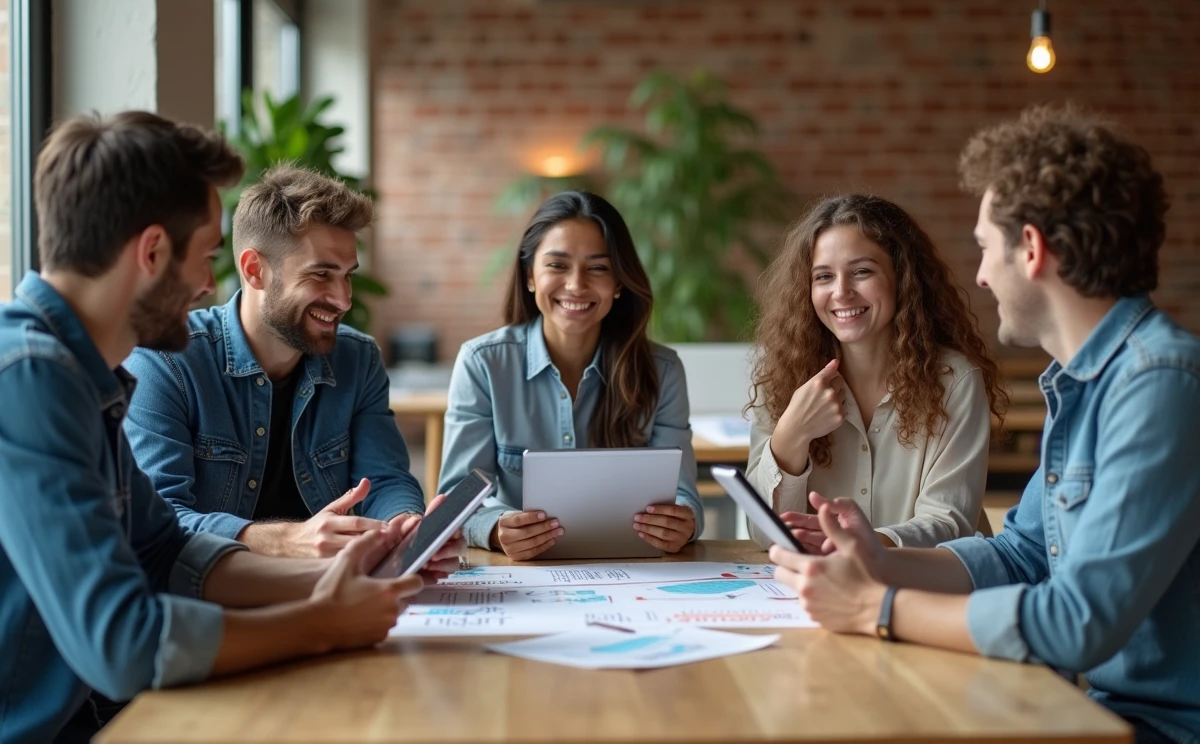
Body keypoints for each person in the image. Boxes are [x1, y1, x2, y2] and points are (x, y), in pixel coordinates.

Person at [0, 112, 448, 744]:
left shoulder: (77, 373)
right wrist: (321, 621)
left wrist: (347, 574)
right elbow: (123, 642)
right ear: (152, 252)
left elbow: (163, 551)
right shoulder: (28, 378)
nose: (210, 285)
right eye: (207, 258)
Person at [769, 106, 1200, 744]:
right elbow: (1021, 552)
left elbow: (1077, 620)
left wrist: (875, 608)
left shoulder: (1161, 383)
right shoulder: (1085, 383)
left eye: (984, 247)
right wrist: (879, 556)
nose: (978, 274)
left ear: (1030, 249)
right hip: (1097, 712)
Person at [124, 164, 426, 557]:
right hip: (220, 601)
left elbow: (385, 479)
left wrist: (406, 524)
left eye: (348, 275)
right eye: (321, 274)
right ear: (255, 271)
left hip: (333, 592)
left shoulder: (358, 358)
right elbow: (159, 519)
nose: (344, 299)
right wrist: (283, 541)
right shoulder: (166, 362)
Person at [437, 190, 704, 560]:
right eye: (557, 265)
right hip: (520, 574)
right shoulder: (482, 363)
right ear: (530, 275)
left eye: (598, 268)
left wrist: (684, 522)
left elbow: (684, 493)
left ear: (619, 283)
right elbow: (456, 499)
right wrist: (497, 529)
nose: (576, 285)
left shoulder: (663, 371)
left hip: (632, 571)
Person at [746, 194, 1005, 551]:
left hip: (927, 593)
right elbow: (764, 535)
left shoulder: (955, 380)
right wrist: (790, 437)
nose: (841, 292)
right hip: (819, 593)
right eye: (823, 276)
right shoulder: (782, 379)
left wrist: (865, 544)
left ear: (903, 277)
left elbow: (951, 523)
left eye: (861, 271)